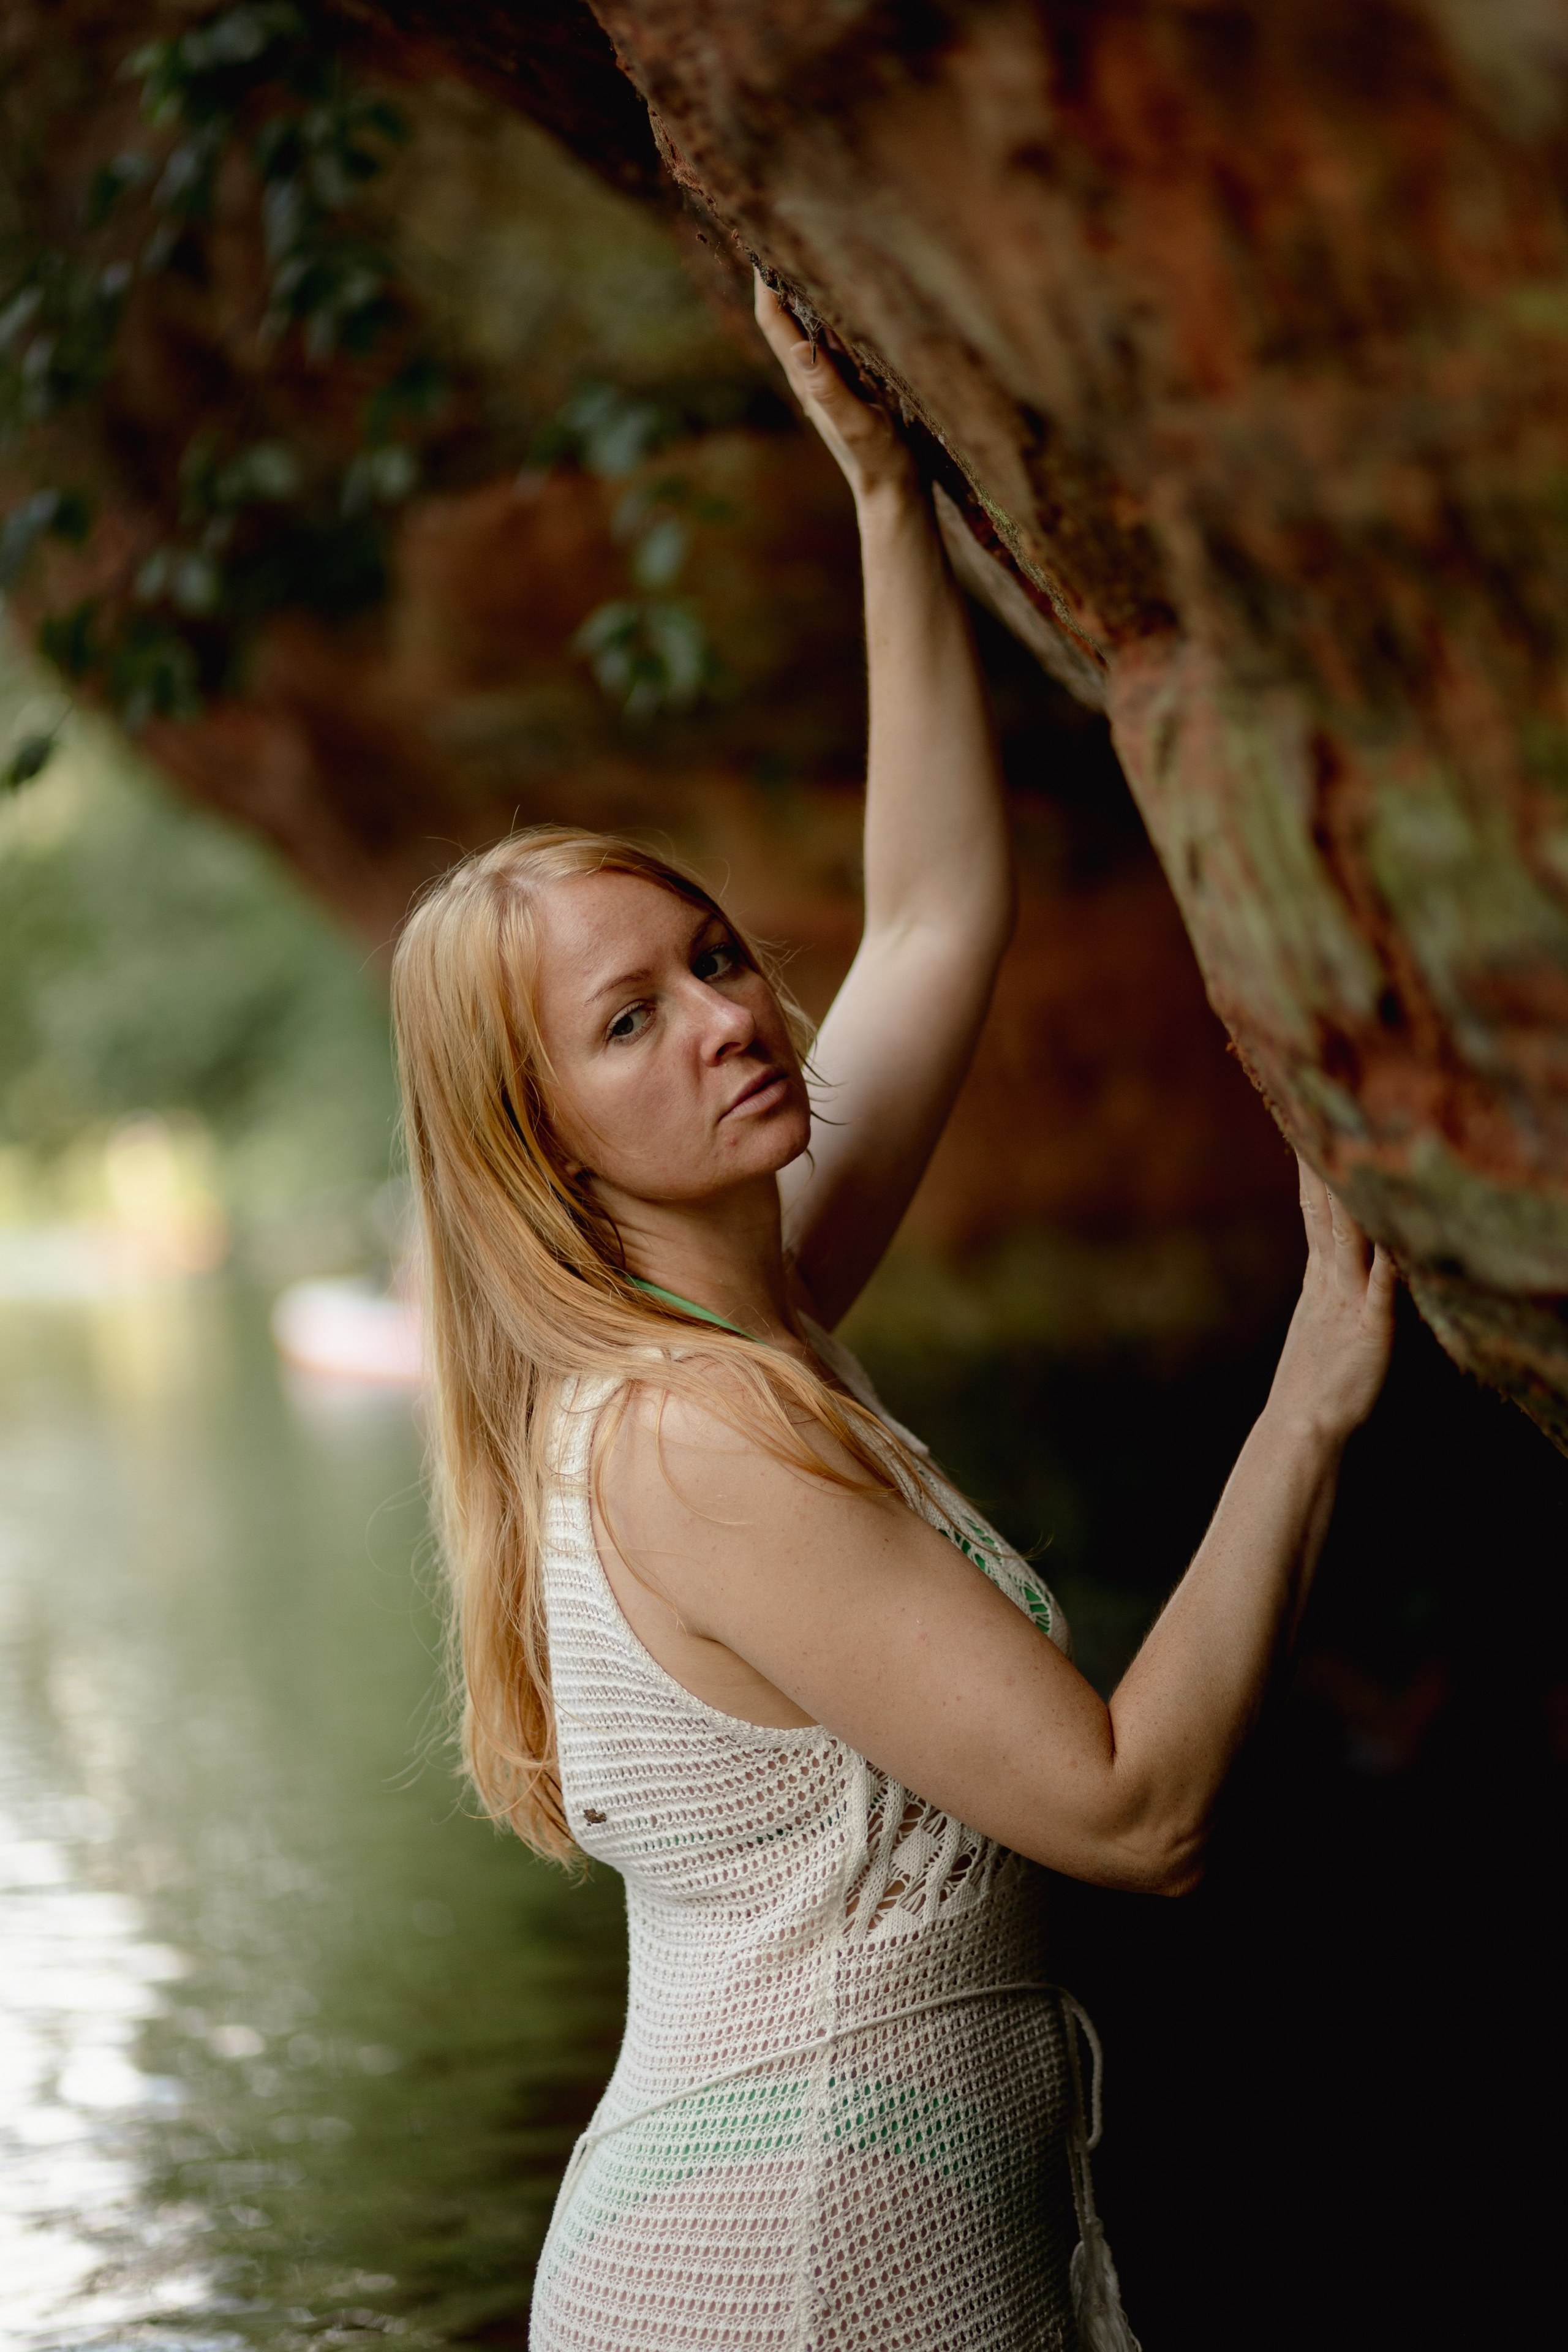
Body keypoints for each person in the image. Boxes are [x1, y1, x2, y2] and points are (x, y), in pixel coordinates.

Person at [390, 278, 1396, 2352]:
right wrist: (1308, 1399)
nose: (736, 1015)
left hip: (837, 2224)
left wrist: (882, 494)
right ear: (540, 1137)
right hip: (797, 2271)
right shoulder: (694, 1439)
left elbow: (936, 909)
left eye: (721, 953)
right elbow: (1137, 1809)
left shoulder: (746, 1319)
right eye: (630, 1019)